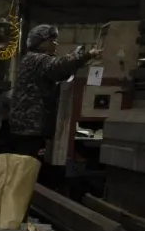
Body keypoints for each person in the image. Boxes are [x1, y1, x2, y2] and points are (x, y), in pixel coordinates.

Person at [6, 24, 100, 169]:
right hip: (30, 126)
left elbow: (60, 73)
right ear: (40, 42)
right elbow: (60, 65)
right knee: (26, 166)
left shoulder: (32, 60)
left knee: (27, 165)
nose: (55, 44)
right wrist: (87, 55)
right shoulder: (38, 60)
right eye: (51, 40)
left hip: (27, 126)